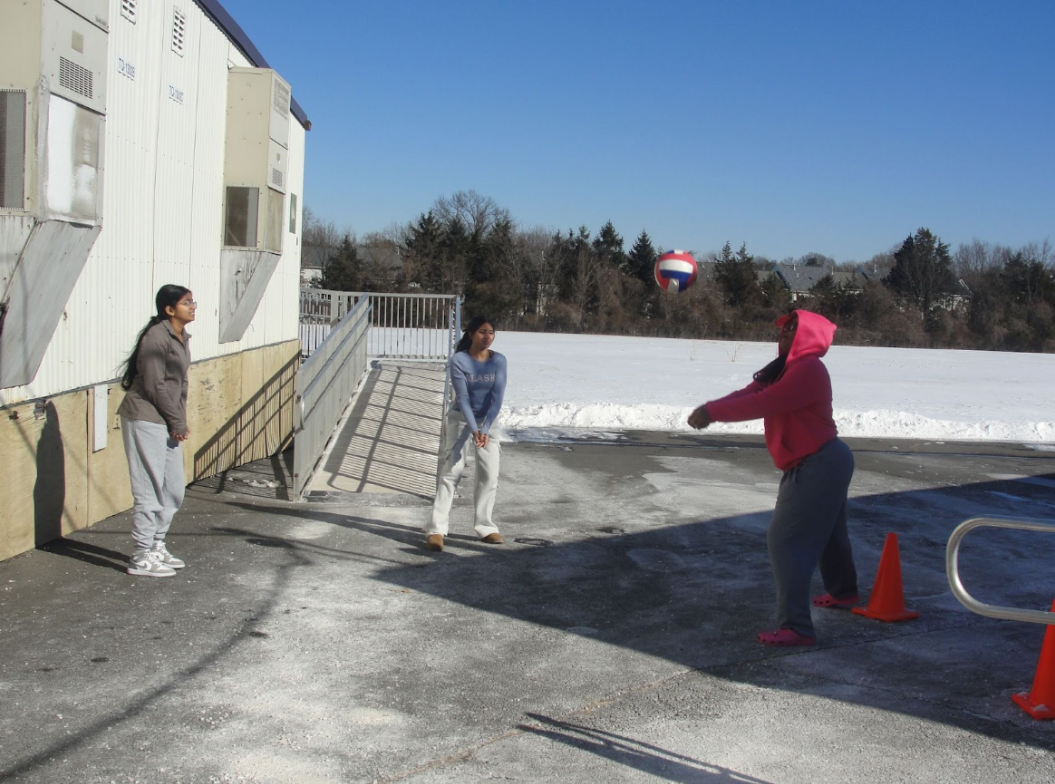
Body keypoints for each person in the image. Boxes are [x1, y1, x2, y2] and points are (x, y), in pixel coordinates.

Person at [687, 309, 858, 646]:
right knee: (829, 535)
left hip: (819, 462)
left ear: (809, 336)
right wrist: (711, 408)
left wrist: (712, 414)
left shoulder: (809, 370)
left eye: (794, 329)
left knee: (786, 541)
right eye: (785, 328)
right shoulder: (783, 369)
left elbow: (765, 403)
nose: (784, 334)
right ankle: (844, 593)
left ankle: (797, 627)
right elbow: (747, 394)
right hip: (826, 460)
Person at [116, 285, 196, 577]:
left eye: (192, 301)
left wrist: (178, 420)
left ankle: (156, 544)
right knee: (149, 489)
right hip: (145, 418)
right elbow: (154, 386)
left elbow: (179, 386)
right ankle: (141, 555)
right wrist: (176, 421)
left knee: (173, 487)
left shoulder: (180, 337)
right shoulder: (156, 338)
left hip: (167, 419)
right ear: (169, 309)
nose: (193, 306)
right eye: (187, 302)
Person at [426, 316, 507, 551]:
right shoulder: (460, 360)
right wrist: (474, 429)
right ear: (471, 334)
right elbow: (462, 398)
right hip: (461, 419)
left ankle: (486, 526)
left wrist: (484, 428)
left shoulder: (499, 360)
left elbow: (497, 398)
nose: (487, 337)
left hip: (488, 422)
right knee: (452, 471)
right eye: (482, 332)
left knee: (490, 474)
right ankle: (436, 529)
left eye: (491, 332)